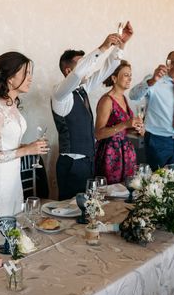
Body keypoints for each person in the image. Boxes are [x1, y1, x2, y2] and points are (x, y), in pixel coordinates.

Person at [52, 23, 133, 200]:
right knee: (70, 211)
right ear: (68, 70)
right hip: (72, 165)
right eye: (82, 63)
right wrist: (103, 47)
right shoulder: (60, 94)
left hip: (88, 162)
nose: (89, 67)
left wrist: (121, 45)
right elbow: (79, 72)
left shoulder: (83, 90)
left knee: (87, 211)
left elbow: (107, 69)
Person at [0, 52, 48, 225]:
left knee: (13, 230)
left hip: (13, 178)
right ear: (10, 78)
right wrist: (27, 150)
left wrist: (29, 146)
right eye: (25, 73)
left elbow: (6, 144)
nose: (30, 78)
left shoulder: (12, 104)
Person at [129, 51, 174, 170]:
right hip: (157, 140)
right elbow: (133, 96)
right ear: (167, 62)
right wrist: (152, 81)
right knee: (156, 181)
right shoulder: (154, 80)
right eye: (173, 63)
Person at [94, 60, 144, 184]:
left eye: (130, 75)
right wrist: (125, 124)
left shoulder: (123, 98)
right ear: (114, 78)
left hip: (127, 152)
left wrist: (138, 130)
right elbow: (98, 134)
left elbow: (125, 130)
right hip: (110, 154)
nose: (130, 79)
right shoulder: (106, 100)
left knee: (127, 191)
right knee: (110, 194)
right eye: (126, 75)